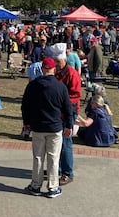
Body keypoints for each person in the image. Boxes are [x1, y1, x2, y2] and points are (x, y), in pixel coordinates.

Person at [21, 57, 72, 198]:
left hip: (38, 126)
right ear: (54, 69)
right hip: (55, 127)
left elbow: (25, 105)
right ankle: (53, 187)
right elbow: (68, 108)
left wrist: (26, 122)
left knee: (38, 157)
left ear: (42, 69)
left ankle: (36, 185)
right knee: (53, 158)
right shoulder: (60, 86)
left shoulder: (33, 85)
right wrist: (69, 125)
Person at [52, 43, 80, 186]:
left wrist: (61, 102)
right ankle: (57, 169)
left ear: (64, 60)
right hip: (57, 112)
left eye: (58, 62)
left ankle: (67, 172)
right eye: (55, 62)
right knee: (57, 143)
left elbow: (75, 95)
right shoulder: (56, 73)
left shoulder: (72, 73)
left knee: (66, 143)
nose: (56, 64)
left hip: (68, 112)